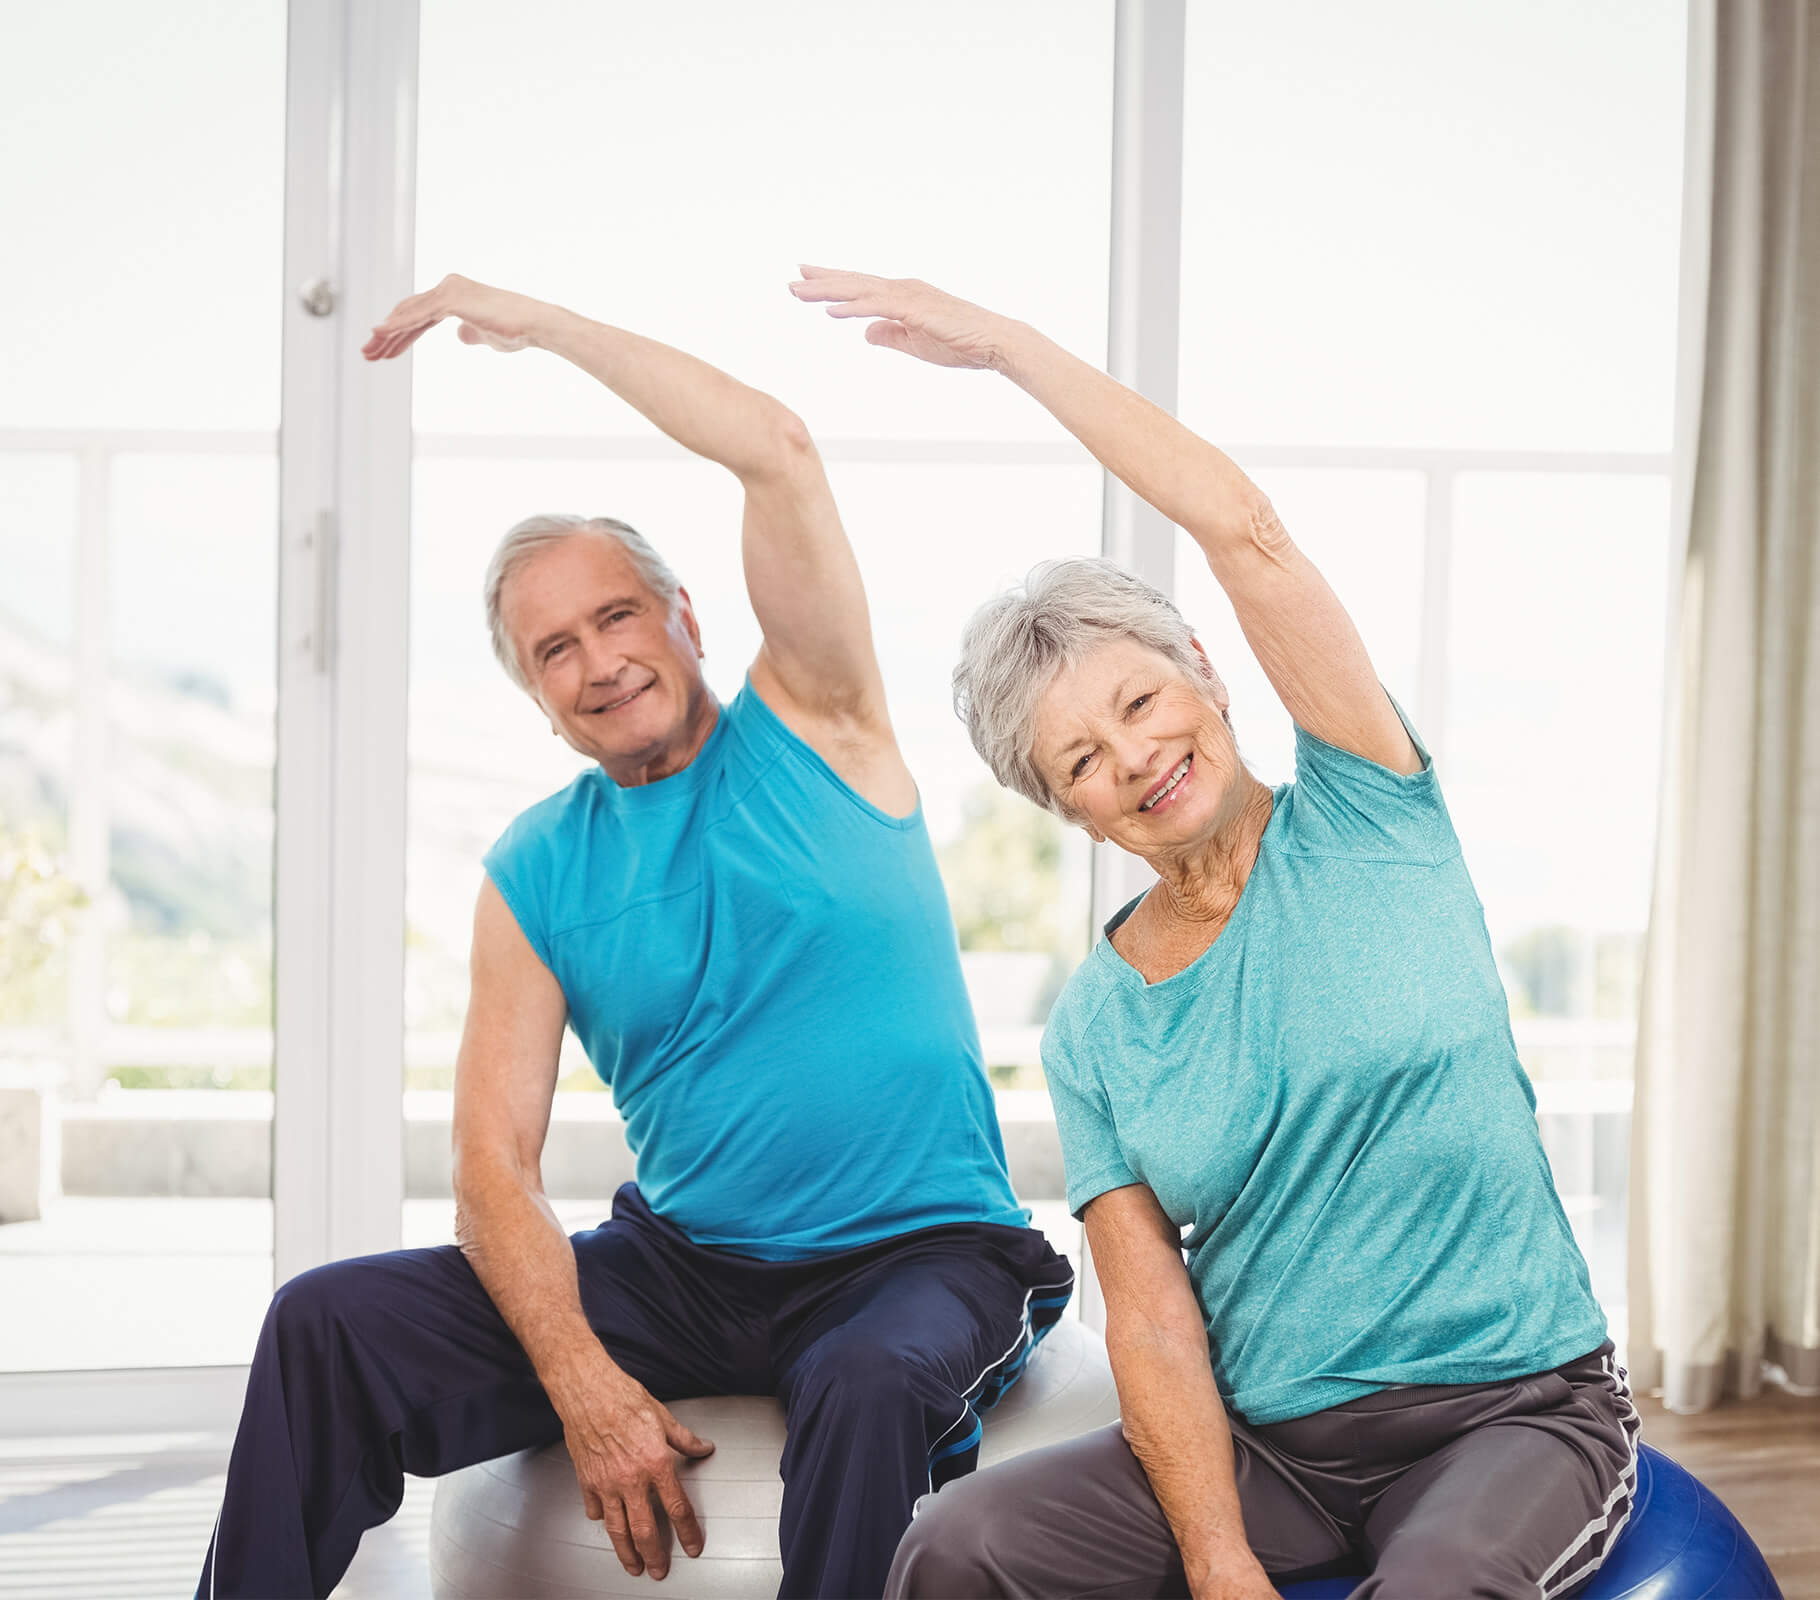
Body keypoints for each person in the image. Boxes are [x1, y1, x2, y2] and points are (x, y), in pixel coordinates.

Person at [196, 274, 1073, 1600]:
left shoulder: (824, 727)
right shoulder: (537, 869)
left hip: (919, 1253)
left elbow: (774, 446)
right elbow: (493, 1162)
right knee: (326, 1322)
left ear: (686, 620)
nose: (599, 663)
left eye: (617, 617)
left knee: (870, 1379)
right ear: (540, 702)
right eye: (554, 650)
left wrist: (542, 329)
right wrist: (582, 1380)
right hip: (686, 1268)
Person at [791, 268, 1638, 1600]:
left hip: (1511, 1412)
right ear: (1063, 807)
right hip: (1276, 1451)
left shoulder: (1369, 810)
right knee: (951, 1549)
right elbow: (1153, 1316)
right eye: (1080, 756)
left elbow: (1247, 531)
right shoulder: (1099, 1024)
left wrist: (1013, 350)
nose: (1133, 756)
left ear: (1201, 663)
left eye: (1139, 699)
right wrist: (1218, 1556)